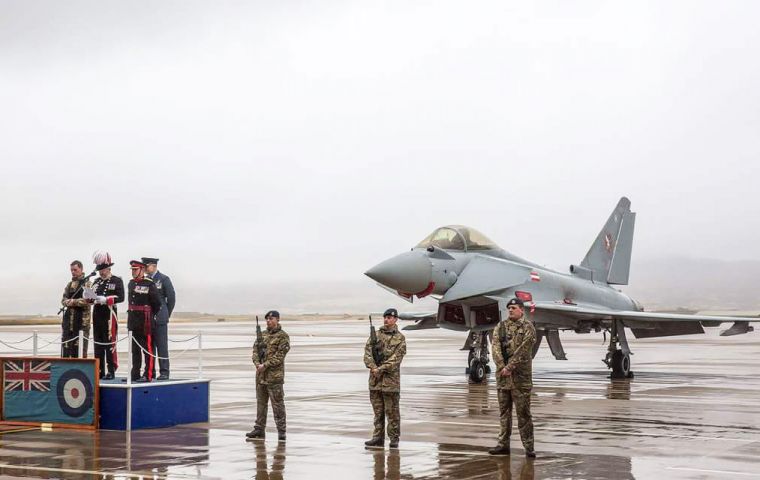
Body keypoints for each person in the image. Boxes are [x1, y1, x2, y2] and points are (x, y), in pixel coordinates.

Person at [488, 297, 537, 457]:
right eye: (509, 307)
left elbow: (524, 349)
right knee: (504, 413)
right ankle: (503, 445)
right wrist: (502, 367)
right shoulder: (500, 327)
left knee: (523, 414)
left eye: (514, 307)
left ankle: (529, 448)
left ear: (521, 310)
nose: (510, 310)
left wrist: (510, 367)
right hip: (503, 379)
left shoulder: (528, 327)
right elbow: (495, 347)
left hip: (521, 379)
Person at [364, 308, 407, 449]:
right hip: (375, 382)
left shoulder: (400, 339)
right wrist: (372, 367)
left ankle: (394, 438)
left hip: (390, 382)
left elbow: (396, 359)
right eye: (385, 317)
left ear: (395, 319)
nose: (387, 319)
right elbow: (367, 353)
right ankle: (377, 437)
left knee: (392, 412)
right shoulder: (375, 336)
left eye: (390, 317)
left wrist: (380, 369)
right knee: (378, 412)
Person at [247, 310, 290, 442]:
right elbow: (255, 350)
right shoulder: (263, 335)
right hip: (261, 376)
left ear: (277, 320)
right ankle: (259, 429)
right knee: (261, 404)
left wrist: (265, 365)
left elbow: (280, 356)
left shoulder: (283, 336)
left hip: (274, 377)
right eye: (267, 319)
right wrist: (257, 363)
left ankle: (281, 431)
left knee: (277, 405)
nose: (268, 321)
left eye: (271, 319)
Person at [127, 260, 162, 382]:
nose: (133, 272)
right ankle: (135, 373)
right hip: (133, 321)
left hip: (145, 321)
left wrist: (150, 315)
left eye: (135, 269)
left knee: (147, 349)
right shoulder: (131, 283)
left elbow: (157, 303)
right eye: (132, 269)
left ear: (142, 270)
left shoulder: (149, 284)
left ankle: (148, 374)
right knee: (135, 350)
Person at [91, 252, 124, 380]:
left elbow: (121, 297)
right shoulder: (97, 281)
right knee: (98, 345)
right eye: (99, 270)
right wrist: (89, 297)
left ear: (108, 268)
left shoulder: (116, 280)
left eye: (103, 270)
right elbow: (91, 296)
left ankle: (111, 370)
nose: (101, 273)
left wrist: (106, 299)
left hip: (109, 316)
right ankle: (99, 370)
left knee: (109, 344)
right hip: (97, 315)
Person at [142, 257, 176, 380]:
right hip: (148, 318)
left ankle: (164, 371)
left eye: (147, 266)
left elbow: (171, 298)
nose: (145, 269)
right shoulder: (144, 280)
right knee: (149, 347)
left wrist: (166, 313)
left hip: (160, 317)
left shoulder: (163, 279)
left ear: (154, 266)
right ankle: (150, 372)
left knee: (162, 346)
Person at [60, 260, 92, 358]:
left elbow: (89, 300)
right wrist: (67, 302)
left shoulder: (88, 284)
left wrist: (74, 302)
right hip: (69, 322)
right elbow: (63, 300)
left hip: (82, 323)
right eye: (71, 270)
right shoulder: (69, 285)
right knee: (66, 349)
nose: (73, 272)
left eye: (75, 270)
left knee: (80, 351)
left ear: (81, 269)